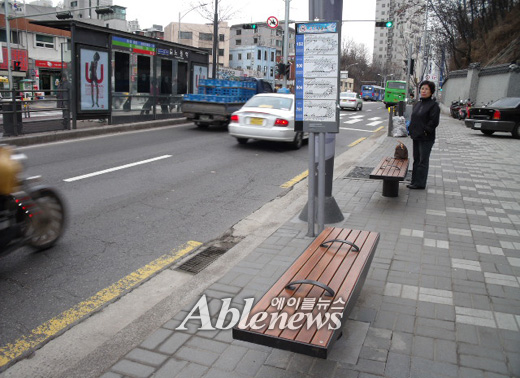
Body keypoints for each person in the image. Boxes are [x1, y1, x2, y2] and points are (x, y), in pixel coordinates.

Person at [407, 80, 440, 190]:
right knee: (416, 159)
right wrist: (410, 129)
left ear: (431, 91)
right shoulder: (418, 104)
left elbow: (433, 121)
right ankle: (414, 181)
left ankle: (420, 183)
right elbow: (414, 119)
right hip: (416, 136)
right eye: (422, 89)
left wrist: (426, 131)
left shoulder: (434, 105)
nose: (424, 91)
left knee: (423, 161)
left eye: (426, 89)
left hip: (426, 138)